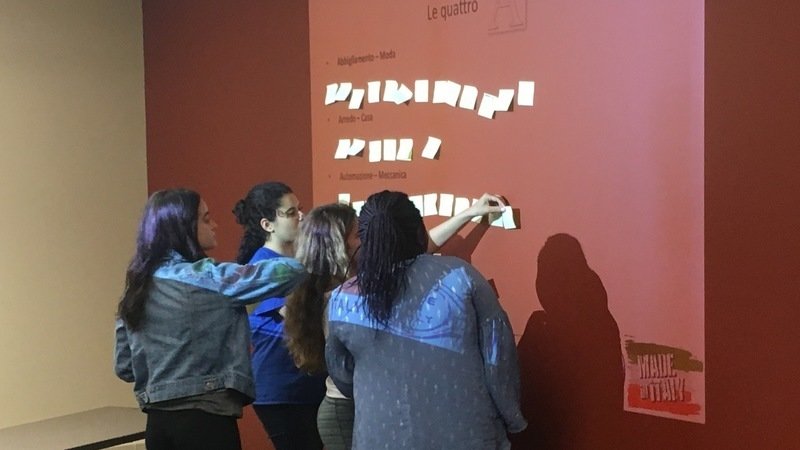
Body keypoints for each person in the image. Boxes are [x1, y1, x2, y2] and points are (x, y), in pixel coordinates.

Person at [291, 192, 523, 449]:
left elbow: (344, 374)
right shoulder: (461, 276)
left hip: (379, 436)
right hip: (465, 434)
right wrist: (512, 416)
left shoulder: (342, 300)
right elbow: (498, 355)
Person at [114, 188, 307, 450]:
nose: (214, 225)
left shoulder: (137, 287)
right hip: (205, 422)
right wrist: (304, 246)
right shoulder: (208, 278)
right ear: (184, 227)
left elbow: (124, 367)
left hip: (157, 425)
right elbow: (290, 271)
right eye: (206, 218)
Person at [232, 182, 325, 450]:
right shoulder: (263, 266)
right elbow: (297, 312)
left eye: (300, 209)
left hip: (306, 384)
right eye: (291, 212)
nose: (301, 217)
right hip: (282, 387)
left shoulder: (297, 262)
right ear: (267, 224)